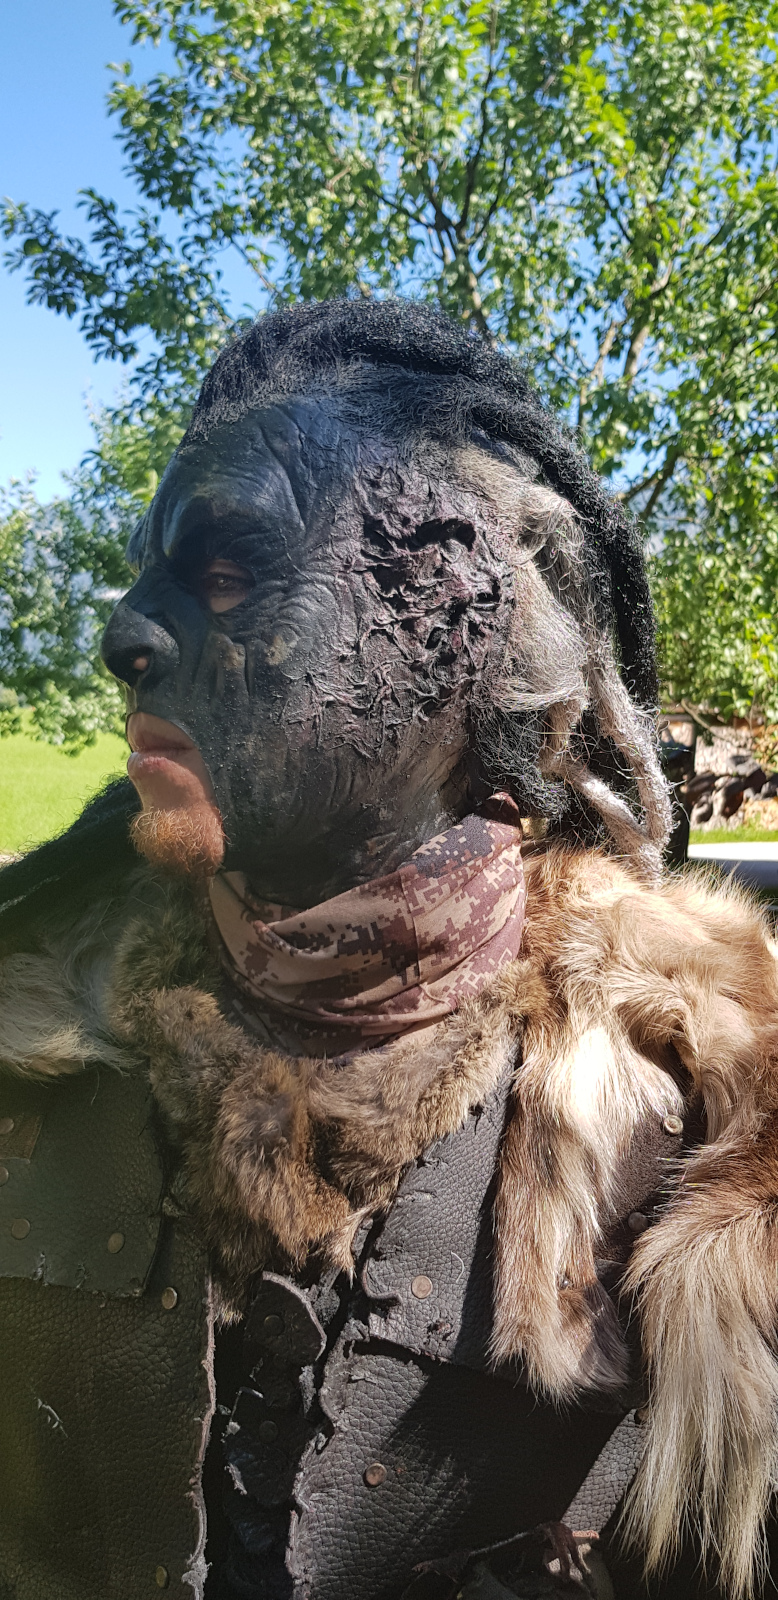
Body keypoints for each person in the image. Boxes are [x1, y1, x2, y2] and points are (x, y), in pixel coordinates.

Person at [2, 299, 778, 1600]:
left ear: (467, 630)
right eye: (148, 572)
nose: (125, 636)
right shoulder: (26, 1037)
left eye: (229, 572)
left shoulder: (712, 1125)